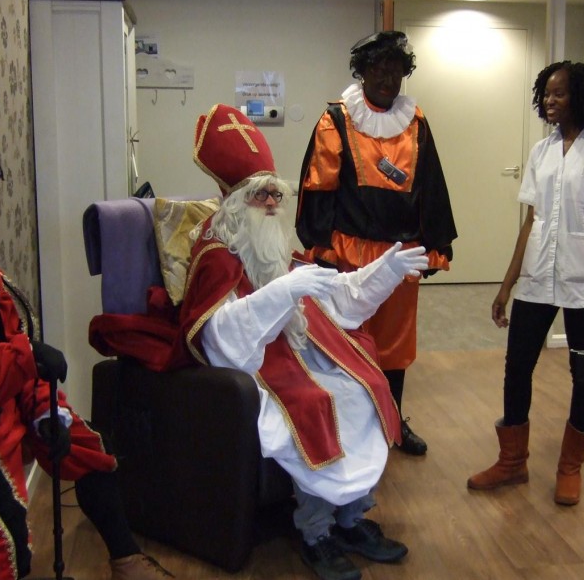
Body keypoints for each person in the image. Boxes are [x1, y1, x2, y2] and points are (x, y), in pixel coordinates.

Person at [0, 144, 173, 580]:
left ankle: (127, 561)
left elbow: (18, 355)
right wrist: (24, 358)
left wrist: (45, 412)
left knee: (87, 446)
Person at [179, 104, 424, 580]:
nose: (272, 203)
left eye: (276, 193)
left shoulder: (274, 249)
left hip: (299, 351)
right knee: (317, 402)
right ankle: (316, 533)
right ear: (236, 203)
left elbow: (339, 300)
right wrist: (281, 293)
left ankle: (351, 518)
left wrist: (385, 271)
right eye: (260, 195)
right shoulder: (217, 255)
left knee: (365, 385)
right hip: (251, 368)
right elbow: (218, 337)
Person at [467, 61, 584, 506]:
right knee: (517, 366)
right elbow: (531, 221)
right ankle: (512, 461)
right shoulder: (541, 152)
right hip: (538, 277)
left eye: (559, 93)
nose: (550, 100)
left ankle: (569, 467)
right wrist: (507, 284)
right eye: (546, 93)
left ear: (581, 97)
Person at [296, 30, 458, 456]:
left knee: (394, 347)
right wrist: (320, 246)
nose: (387, 79)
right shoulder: (336, 120)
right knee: (346, 339)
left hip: (399, 255)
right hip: (349, 252)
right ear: (362, 72)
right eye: (378, 69)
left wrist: (434, 246)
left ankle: (392, 421)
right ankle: (348, 424)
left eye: (396, 71)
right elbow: (319, 186)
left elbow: (430, 186)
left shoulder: (416, 123)